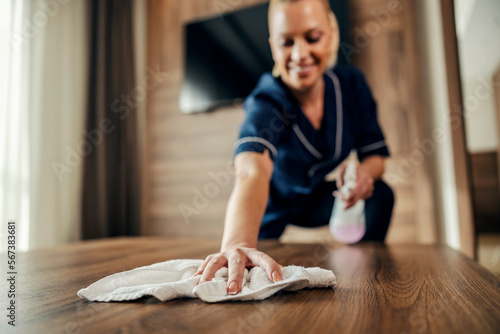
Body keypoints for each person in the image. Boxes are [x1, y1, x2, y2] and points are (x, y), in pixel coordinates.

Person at [193, 0, 394, 295]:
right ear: (273, 46)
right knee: (246, 266)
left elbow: (375, 155)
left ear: (332, 32)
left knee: (381, 195)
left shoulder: (351, 87)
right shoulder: (268, 100)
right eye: (287, 42)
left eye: (312, 38)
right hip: (270, 202)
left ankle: (365, 280)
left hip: (314, 198)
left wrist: (364, 173)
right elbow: (252, 169)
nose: (300, 55)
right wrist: (237, 244)